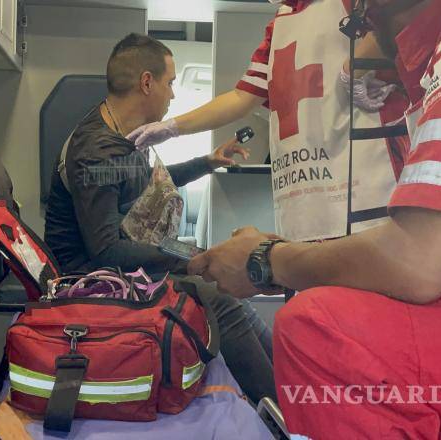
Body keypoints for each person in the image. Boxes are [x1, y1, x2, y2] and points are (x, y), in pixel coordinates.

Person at [187, 0, 441, 437]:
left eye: (364, 16)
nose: (362, 31)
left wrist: (264, 260)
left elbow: (418, 263)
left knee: (315, 325)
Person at [43, 33, 276, 404]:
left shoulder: (123, 134)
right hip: (90, 278)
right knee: (220, 298)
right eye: (170, 83)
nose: (172, 95)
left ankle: (287, 388)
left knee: (226, 289)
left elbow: (148, 182)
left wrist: (208, 161)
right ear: (147, 82)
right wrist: (188, 258)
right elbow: (105, 250)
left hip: (117, 259)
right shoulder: (97, 150)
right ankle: (280, 406)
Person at [128, 0, 411, 243]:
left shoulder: (351, 4)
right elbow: (242, 97)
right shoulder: (280, 23)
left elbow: (410, 17)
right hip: (304, 204)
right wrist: (172, 127)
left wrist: (357, 65)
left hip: (365, 192)